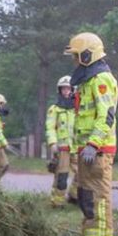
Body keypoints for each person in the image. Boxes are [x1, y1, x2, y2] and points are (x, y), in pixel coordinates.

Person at [64, 32, 118, 236]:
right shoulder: (88, 82)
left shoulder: (102, 80)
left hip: (97, 150)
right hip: (86, 150)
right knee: (86, 196)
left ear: (88, 56)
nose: (74, 61)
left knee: (99, 197)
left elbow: (106, 115)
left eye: (76, 56)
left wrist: (94, 143)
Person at [45, 75, 78, 207]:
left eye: (68, 89)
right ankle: (57, 202)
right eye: (63, 89)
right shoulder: (54, 109)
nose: (66, 91)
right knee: (61, 177)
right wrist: (53, 143)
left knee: (82, 174)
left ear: (73, 90)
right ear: (59, 91)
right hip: (62, 148)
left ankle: (74, 196)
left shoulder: (77, 109)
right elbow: (50, 127)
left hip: (76, 147)